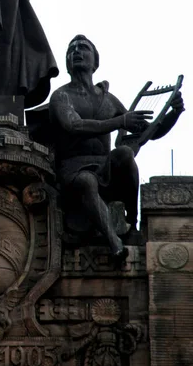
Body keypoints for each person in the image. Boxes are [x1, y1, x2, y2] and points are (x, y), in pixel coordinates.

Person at [49, 35, 184, 260]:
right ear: (67, 64)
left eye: (83, 48)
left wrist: (174, 113)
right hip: (73, 169)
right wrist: (120, 122)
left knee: (125, 153)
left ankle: (133, 224)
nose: (76, 52)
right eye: (71, 50)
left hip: (104, 167)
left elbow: (150, 132)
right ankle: (115, 243)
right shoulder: (61, 96)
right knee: (86, 181)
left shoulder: (108, 100)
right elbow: (73, 125)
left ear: (95, 63)